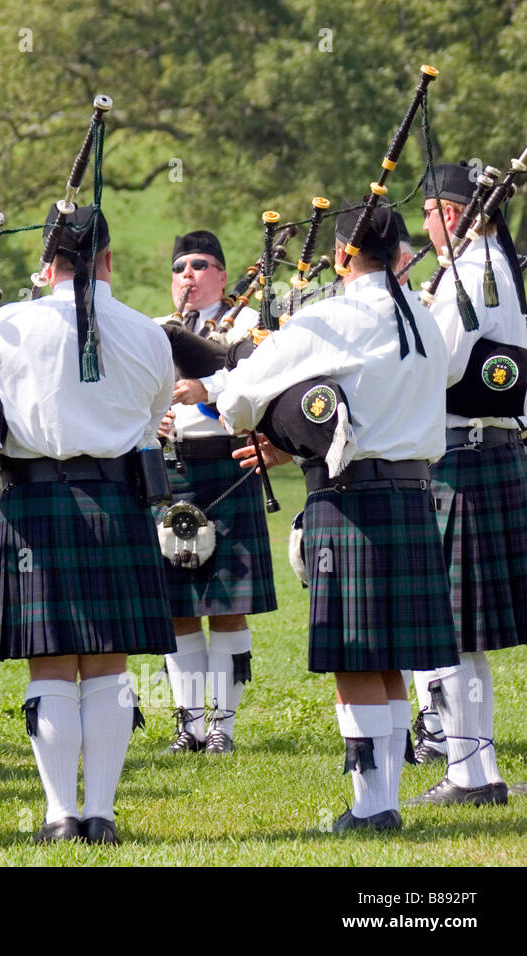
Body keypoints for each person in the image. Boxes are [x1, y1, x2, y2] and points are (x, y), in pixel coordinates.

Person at [0, 205, 176, 844]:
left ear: (48, 264)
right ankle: (104, 815)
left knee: (51, 662)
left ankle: (61, 816)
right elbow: (154, 415)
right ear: (107, 261)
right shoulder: (147, 333)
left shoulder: (8, 325)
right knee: (109, 663)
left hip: (35, 504)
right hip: (117, 500)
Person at [218, 203, 456, 832]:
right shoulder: (425, 323)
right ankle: (387, 803)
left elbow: (237, 394)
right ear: (399, 252)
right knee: (389, 661)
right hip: (412, 494)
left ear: (345, 254)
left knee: (356, 658)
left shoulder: (333, 317)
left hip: (351, 499)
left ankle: (371, 807)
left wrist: (272, 418)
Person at [406, 163, 527, 806]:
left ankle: (469, 773)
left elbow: (442, 363)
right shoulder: (499, 267)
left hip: (462, 458)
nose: (423, 226)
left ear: (450, 215)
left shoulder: (468, 273)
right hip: (489, 451)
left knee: (448, 627)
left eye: (428, 212)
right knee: (462, 633)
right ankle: (478, 772)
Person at [154, 231, 277, 754]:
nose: (189, 275)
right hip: (172, 472)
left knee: (227, 605)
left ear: (223, 276)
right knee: (179, 609)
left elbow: (262, 379)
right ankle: (189, 725)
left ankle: (222, 726)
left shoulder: (248, 327)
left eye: (201, 266)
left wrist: (209, 390)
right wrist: (147, 419)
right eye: (181, 267)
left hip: (227, 468)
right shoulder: (154, 331)